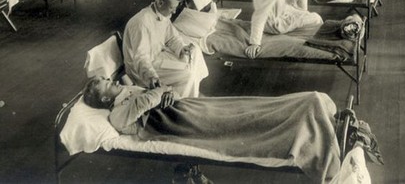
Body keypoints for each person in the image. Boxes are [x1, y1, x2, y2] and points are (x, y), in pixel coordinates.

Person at [81, 78, 342, 183]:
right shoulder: (116, 113)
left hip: (186, 107)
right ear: (105, 100)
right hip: (177, 121)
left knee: (245, 107)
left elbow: (160, 92)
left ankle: (309, 107)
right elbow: (148, 100)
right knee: (242, 123)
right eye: (108, 84)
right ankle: (308, 119)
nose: (113, 80)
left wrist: (165, 90)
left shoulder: (126, 94)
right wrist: (159, 91)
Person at [122, 0, 208, 98]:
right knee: (187, 74)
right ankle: (185, 102)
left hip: (157, 56)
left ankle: (192, 90)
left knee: (195, 50)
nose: (175, 11)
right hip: (143, 70)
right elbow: (140, 58)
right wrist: (151, 76)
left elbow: (172, 38)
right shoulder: (141, 23)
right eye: (172, 8)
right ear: (160, 3)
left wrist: (182, 48)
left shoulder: (162, 14)